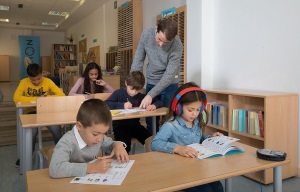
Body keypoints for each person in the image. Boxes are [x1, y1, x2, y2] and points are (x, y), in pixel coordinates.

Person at [151, 82, 224, 192]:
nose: (195, 114)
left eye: (198, 109)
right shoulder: (170, 126)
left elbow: (198, 140)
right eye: (190, 110)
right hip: (179, 172)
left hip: (197, 168)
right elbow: (155, 143)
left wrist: (210, 137)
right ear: (178, 107)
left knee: (218, 187)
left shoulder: (196, 121)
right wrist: (178, 148)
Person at [49, 99, 129, 178]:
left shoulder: (98, 136)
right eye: (95, 134)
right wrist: (91, 167)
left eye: (104, 133)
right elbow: (55, 169)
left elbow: (110, 144)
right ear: (79, 126)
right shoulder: (67, 141)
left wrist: (117, 145)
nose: (100, 139)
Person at [130, 17, 183, 133]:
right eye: (159, 39)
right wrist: (134, 83)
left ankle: (165, 148)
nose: (161, 45)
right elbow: (138, 60)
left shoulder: (177, 45)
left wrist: (150, 94)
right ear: (156, 29)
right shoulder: (146, 35)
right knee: (150, 119)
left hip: (170, 84)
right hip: (152, 80)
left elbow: (169, 75)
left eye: (166, 42)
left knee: (167, 119)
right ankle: (151, 147)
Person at [13, 63, 65, 167]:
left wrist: (47, 98)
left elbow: (61, 95)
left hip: (46, 111)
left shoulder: (48, 81)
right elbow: (16, 98)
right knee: (31, 132)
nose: (36, 82)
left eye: (39, 79)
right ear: (28, 77)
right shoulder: (24, 82)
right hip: (31, 111)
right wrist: (37, 99)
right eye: (33, 80)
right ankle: (27, 155)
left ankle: (62, 153)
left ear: (42, 74)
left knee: (56, 129)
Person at [105, 71, 163, 153]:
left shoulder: (140, 97)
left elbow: (159, 101)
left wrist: (154, 105)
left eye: (137, 90)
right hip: (120, 126)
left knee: (150, 140)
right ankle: (125, 162)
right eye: (131, 89)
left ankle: (152, 160)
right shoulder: (118, 93)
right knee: (125, 145)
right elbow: (106, 104)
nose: (134, 92)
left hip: (135, 126)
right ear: (126, 83)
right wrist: (123, 105)